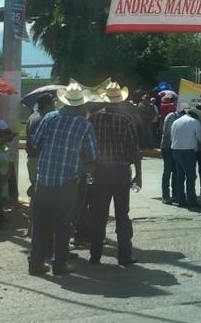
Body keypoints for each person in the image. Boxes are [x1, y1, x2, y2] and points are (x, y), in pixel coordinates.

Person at [28, 82, 99, 276]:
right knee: (62, 225)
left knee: (40, 224)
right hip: (67, 182)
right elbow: (93, 155)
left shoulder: (50, 117)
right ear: (81, 104)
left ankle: (35, 263)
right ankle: (59, 264)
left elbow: (35, 142)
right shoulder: (84, 125)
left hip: (44, 180)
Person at [86, 83, 141, 266]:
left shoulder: (93, 118)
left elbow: (87, 147)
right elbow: (135, 150)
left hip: (99, 171)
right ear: (120, 101)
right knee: (122, 214)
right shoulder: (125, 120)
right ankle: (124, 254)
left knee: (98, 214)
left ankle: (95, 255)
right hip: (121, 171)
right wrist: (138, 174)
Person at [171, 106, 201, 208]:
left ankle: (181, 200)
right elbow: (200, 138)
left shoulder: (176, 122)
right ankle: (192, 201)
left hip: (176, 151)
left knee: (180, 177)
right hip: (188, 152)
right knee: (191, 177)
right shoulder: (194, 122)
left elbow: (172, 137)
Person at [26, 94, 56, 200]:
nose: (55, 105)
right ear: (48, 105)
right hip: (38, 159)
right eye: (53, 102)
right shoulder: (42, 118)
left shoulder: (33, 116)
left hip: (33, 158)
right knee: (39, 192)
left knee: (37, 190)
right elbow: (36, 142)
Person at [0, 124, 16, 227]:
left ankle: (1, 217)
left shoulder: (7, 147)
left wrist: (8, 175)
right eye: (2, 136)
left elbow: (10, 162)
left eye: (6, 136)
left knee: (2, 198)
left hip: (5, 176)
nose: (4, 138)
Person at [160, 109, 183, 205]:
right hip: (167, 147)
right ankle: (165, 196)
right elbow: (168, 133)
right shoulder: (171, 116)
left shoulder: (180, 117)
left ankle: (175, 195)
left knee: (176, 171)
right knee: (168, 171)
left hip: (175, 147)